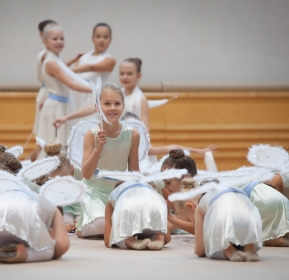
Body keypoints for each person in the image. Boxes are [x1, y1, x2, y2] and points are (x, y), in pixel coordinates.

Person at [52, 58, 217, 157]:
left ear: (139, 76)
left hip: (132, 145)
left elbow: (145, 130)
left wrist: (197, 150)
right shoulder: (116, 95)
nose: (124, 77)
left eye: (129, 73)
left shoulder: (141, 100)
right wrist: (66, 117)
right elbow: (93, 108)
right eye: (122, 73)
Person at [76, 82, 140, 238]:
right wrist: (98, 149)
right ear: (98, 107)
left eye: (117, 103)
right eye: (107, 104)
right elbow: (86, 174)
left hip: (118, 191)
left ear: (123, 106)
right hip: (94, 191)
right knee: (102, 224)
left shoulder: (133, 135)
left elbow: (134, 171)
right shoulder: (91, 135)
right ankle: (81, 228)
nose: (112, 108)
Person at [172, 178, 262, 261]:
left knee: (212, 243)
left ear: (190, 206)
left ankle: (228, 250)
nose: (192, 222)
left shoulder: (199, 206)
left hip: (221, 215)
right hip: (251, 215)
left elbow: (200, 251)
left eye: (188, 219)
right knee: (241, 226)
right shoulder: (222, 189)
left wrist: (198, 249)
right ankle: (249, 246)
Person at [36, 24, 92, 157]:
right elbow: (71, 85)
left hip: (61, 105)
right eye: (55, 39)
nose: (59, 42)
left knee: (63, 145)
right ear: (45, 42)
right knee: (53, 146)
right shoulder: (50, 62)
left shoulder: (56, 59)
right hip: (55, 107)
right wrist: (96, 90)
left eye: (62, 38)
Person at [0, 190, 69, 263]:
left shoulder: (35, 198)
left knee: (11, 236)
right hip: (24, 210)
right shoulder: (55, 209)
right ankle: (24, 254)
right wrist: (53, 252)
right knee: (48, 249)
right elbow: (63, 245)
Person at [66, 22, 116, 123]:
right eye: (98, 36)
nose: (101, 40)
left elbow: (91, 67)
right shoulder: (84, 56)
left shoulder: (109, 60)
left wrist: (66, 70)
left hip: (90, 96)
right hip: (75, 93)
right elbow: (73, 76)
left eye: (105, 37)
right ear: (92, 38)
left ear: (110, 39)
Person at [104, 181, 170, 250]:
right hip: (156, 204)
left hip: (128, 206)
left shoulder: (115, 194)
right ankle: (159, 237)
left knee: (116, 236)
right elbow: (168, 238)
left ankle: (129, 241)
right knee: (154, 230)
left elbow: (107, 241)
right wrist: (162, 234)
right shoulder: (152, 191)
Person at [29, 19, 59, 161]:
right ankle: (31, 168)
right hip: (49, 94)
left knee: (46, 139)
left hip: (51, 94)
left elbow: (62, 70)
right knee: (44, 140)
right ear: (42, 35)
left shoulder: (50, 54)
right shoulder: (46, 55)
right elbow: (59, 73)